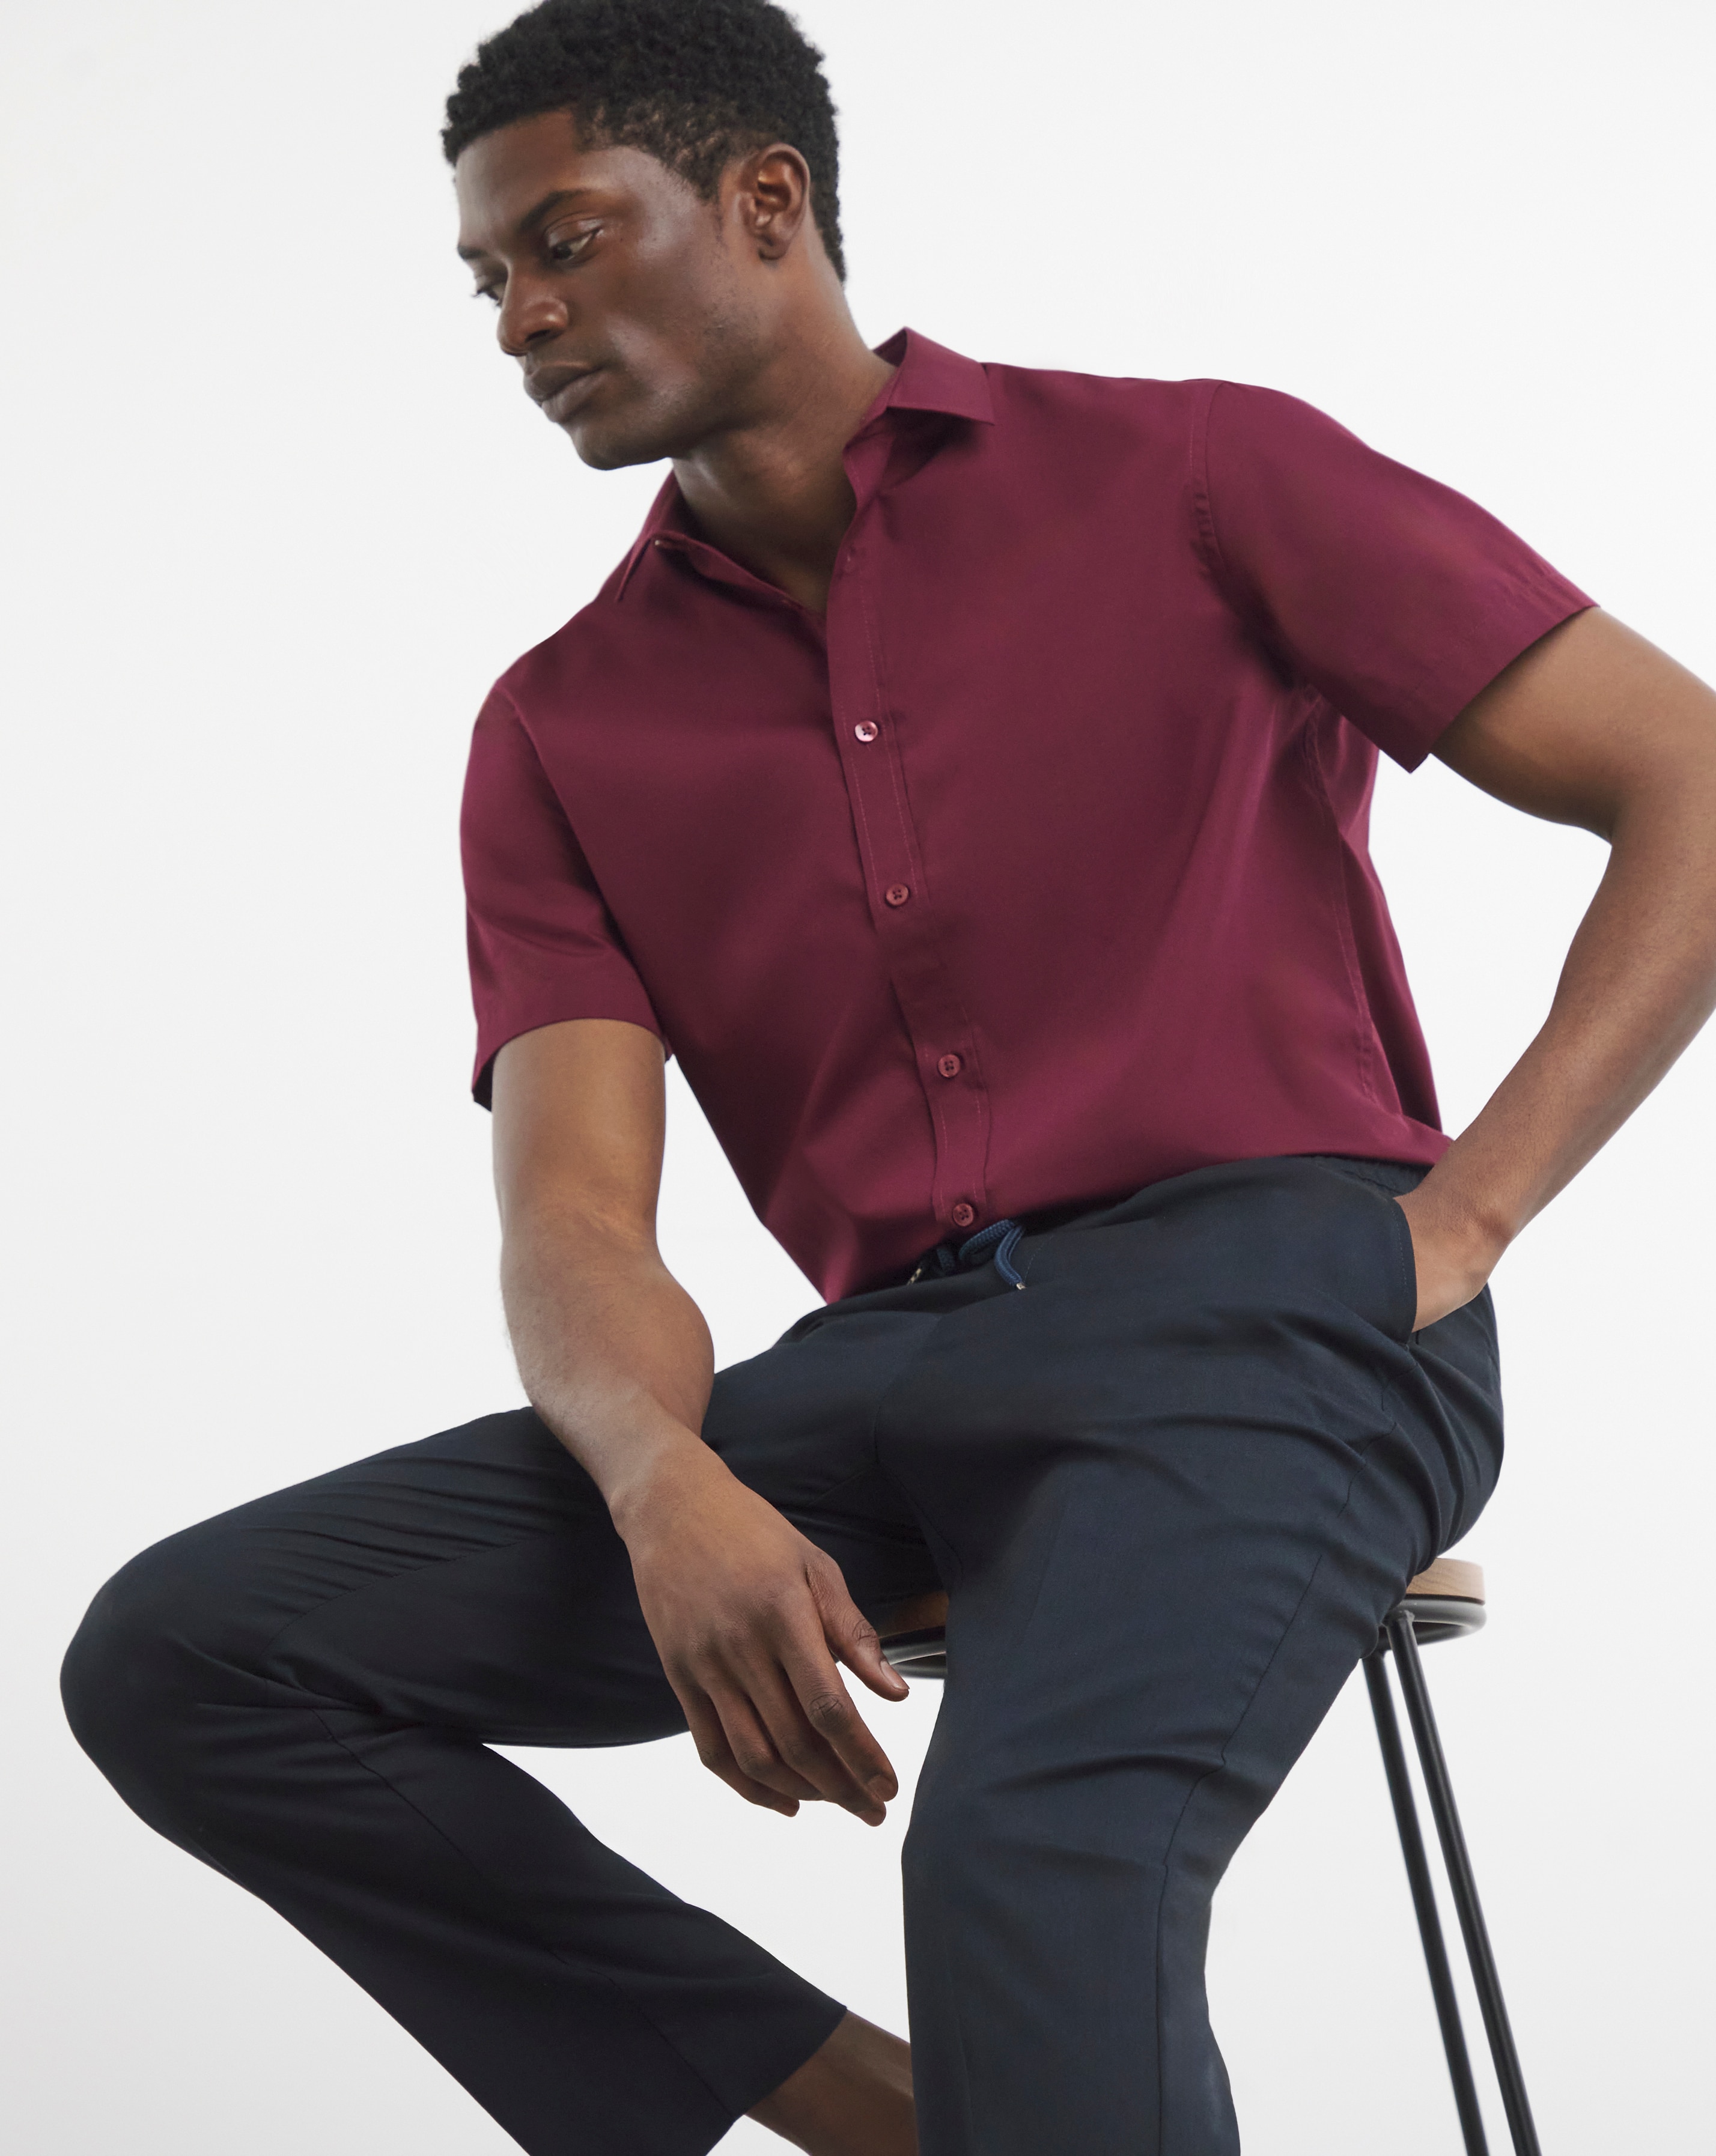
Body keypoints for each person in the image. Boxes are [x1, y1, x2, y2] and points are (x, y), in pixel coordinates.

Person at [61, 2, 1716, 2151]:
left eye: (566, 241)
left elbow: (1687, 778)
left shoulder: (1195, 473)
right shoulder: (562, 725)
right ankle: (891, 2117)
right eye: (489, 281)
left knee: (1032, 1871)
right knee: (192, 1656)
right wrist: (661, 1483)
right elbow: (575, 1217)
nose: (521, 317)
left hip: (1266, 1311)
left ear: (766, 202)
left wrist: (1461, 1222)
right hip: (878, 1378)